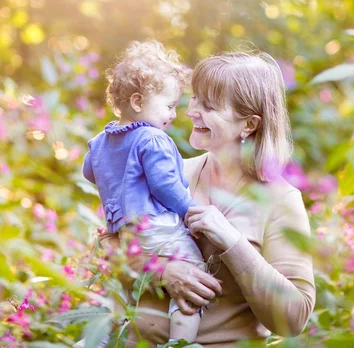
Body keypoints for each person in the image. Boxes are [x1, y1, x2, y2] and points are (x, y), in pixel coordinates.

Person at [99, 50, 316, 346]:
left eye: (210, 105)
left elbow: (294, 318)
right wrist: (164, 270)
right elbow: (109, 249)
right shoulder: (172, 175)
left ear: (249, 124)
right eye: (195, 98)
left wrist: (232, 242)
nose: (191, 112)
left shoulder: (281, 200)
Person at [82, 40, 206, 343]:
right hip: (157, 228)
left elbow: (89, 172)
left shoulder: (100, 141)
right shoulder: (153, 139)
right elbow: (165, 185)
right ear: (138, 102)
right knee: (193, 273)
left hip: (124, 235)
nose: (174, 115)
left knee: (121, 293)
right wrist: (189, 211)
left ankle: (97, 339)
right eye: (169, 106)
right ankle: (181, 342)